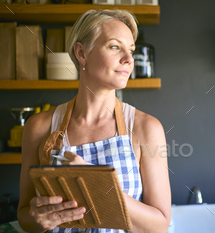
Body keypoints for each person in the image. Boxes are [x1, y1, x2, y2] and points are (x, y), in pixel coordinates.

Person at [17, 9, 171, 233]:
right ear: (81, 53)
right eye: (115, 47)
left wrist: (99, 186)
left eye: (131, 50)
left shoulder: (145, 128)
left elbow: (159, 226)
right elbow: (24, 215)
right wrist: (36, 220)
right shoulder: (39, 127)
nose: (129, 59)